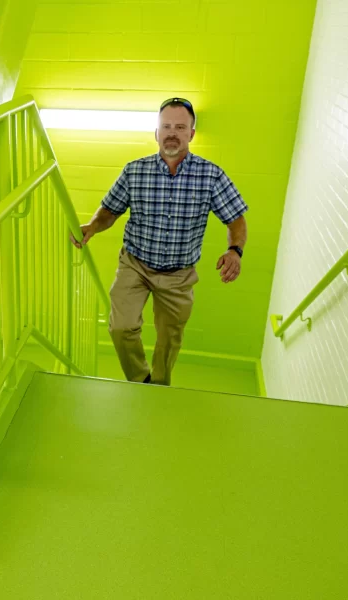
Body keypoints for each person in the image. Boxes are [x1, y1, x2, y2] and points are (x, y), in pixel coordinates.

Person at [71, 98, 248, 386]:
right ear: (156, 132)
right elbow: (110, 212)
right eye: (166, 126)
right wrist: (92, 226)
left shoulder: (211, 175)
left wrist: (235, 250)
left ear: (191, 133)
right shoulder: (134, 171)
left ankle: (160, 385)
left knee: (169, 339)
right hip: (135, 266)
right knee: (121, 327)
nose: (172, 133)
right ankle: (141, 380)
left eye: (180, 126)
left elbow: (236, 219)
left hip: (179, 275)